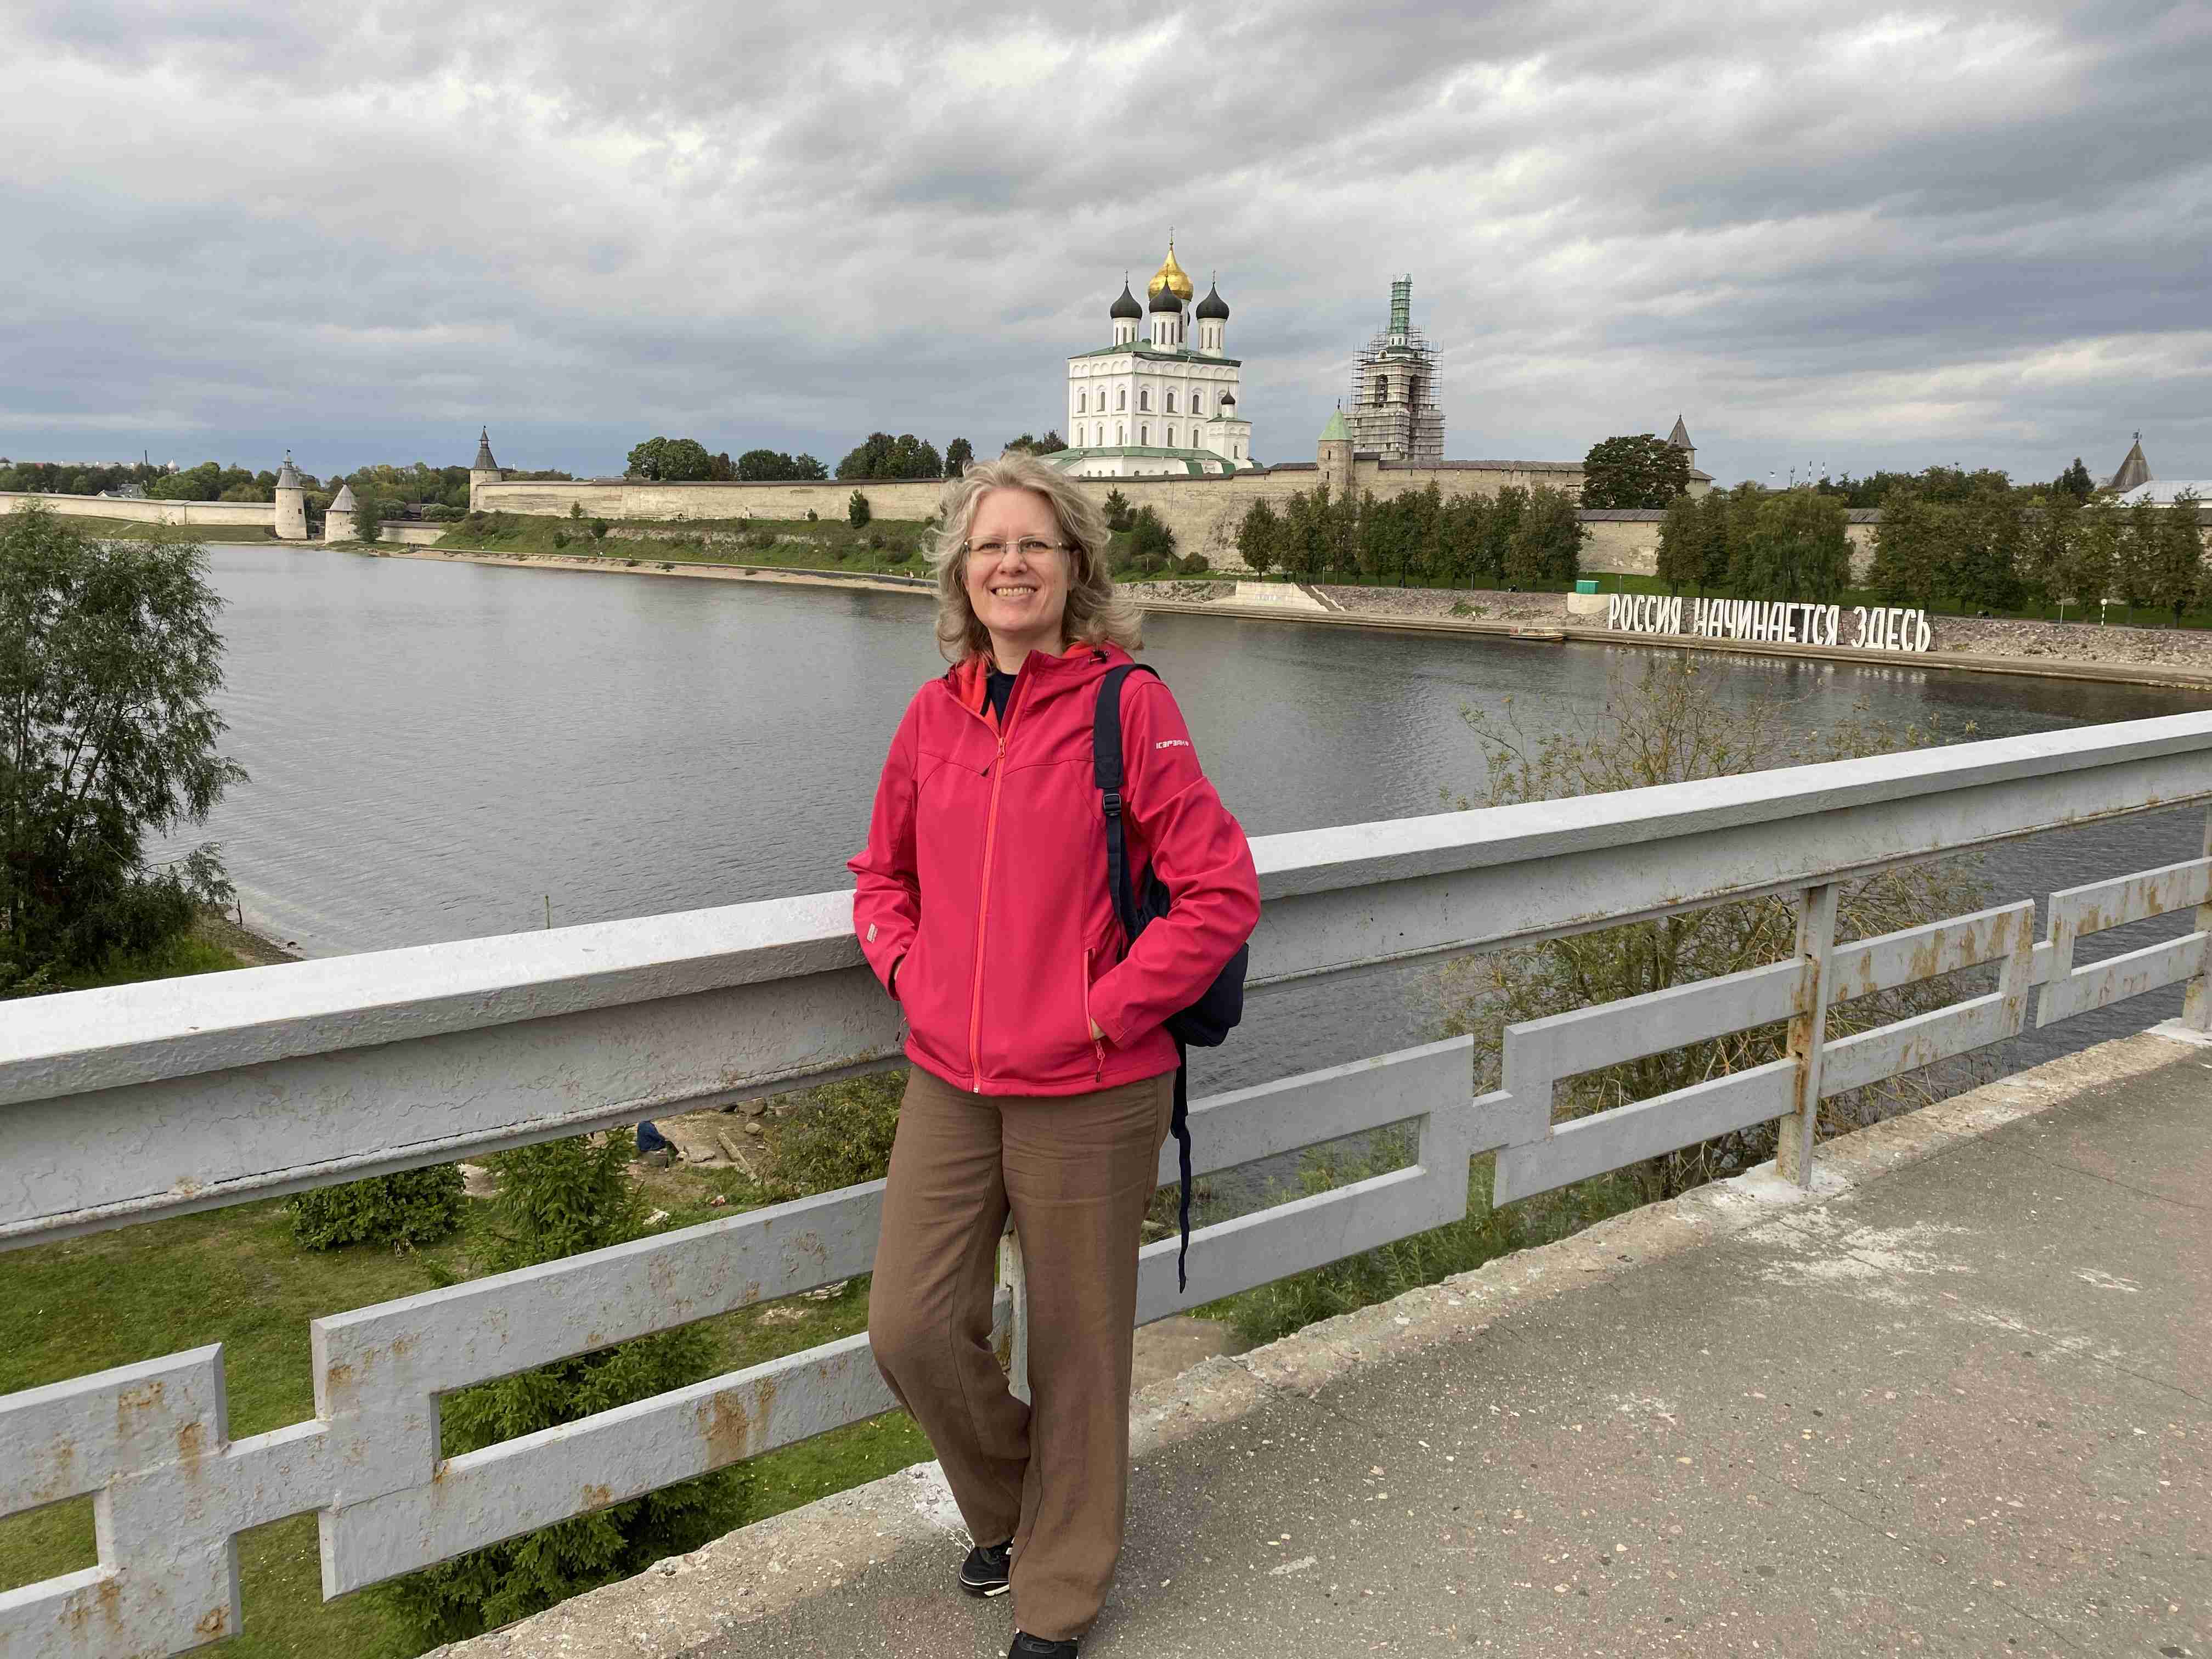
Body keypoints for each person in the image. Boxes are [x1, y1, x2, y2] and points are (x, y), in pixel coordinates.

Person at [848, 454, 1259, 1657]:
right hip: (953, 1075)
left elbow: (1219, 892)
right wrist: (913, 976)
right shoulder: (932, 715)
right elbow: (881, 877)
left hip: (1092, 1082)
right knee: (911, 1328)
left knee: (1079, 1352)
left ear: (1075, 566)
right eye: (989, 546)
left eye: (1034, 543)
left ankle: (1061, 1590)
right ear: (961, 574)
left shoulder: (1128, 706)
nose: (1010, 563)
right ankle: (1023, 1505)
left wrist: (1103, 1009)